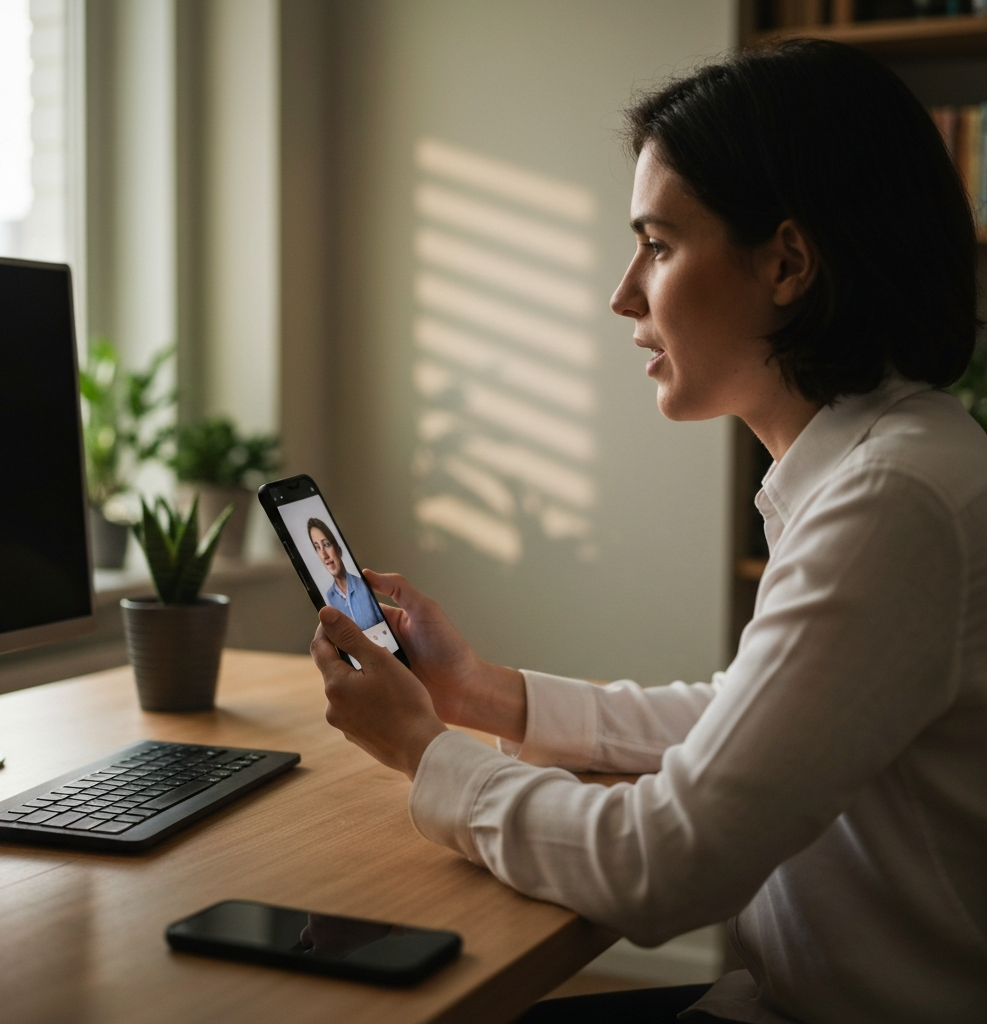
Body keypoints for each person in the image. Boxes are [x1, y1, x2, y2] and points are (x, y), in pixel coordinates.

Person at [310, 40, 987, 1024]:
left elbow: (664, 866)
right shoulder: (887, 465)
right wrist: (481, 693)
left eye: (659, 245)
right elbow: (751, 720)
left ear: (787, 262)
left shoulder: (893, 502)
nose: (623, 292)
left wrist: (428, 752)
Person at [307, 518, 382, 632]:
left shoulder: (363, 585)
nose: (324, 555)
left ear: (339, 550)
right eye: (317, 547)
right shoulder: (330, 597)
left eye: (326, 544)